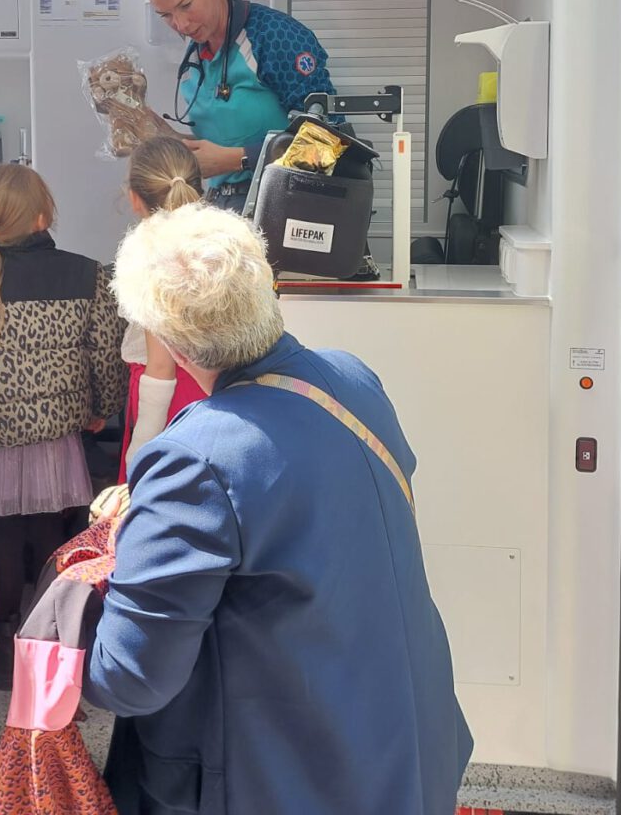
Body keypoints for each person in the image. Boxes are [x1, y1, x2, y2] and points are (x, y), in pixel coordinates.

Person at [87, 202, 472, 815]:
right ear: (266, 285)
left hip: (288, 780)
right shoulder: (353, 381)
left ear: (165, 337)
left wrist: (82, 587)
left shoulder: (194, 458)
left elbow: (130, 679)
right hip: (400, 755)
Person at [0, 163, 128, 689]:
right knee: (54, 543)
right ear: (42, 216)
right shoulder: (89, 276)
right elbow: (107, 356)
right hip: (59, 445)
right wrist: (104, 408)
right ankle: (51, 646)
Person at [139, 0, 337, 210]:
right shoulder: (196, 52)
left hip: (287, 205)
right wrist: (147, 126)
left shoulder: (275, 37)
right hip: (222, 205)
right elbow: (219, 146)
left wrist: (238, 159)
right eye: (166, 15)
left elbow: (328, 146)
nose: (181, 25)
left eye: (185, 6)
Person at [116, 137, 209, 485]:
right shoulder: (221, 240)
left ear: (134, 198)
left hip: (169, 404)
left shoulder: (149, 255)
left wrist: (138, 452)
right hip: (215, 394)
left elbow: (160, 366)